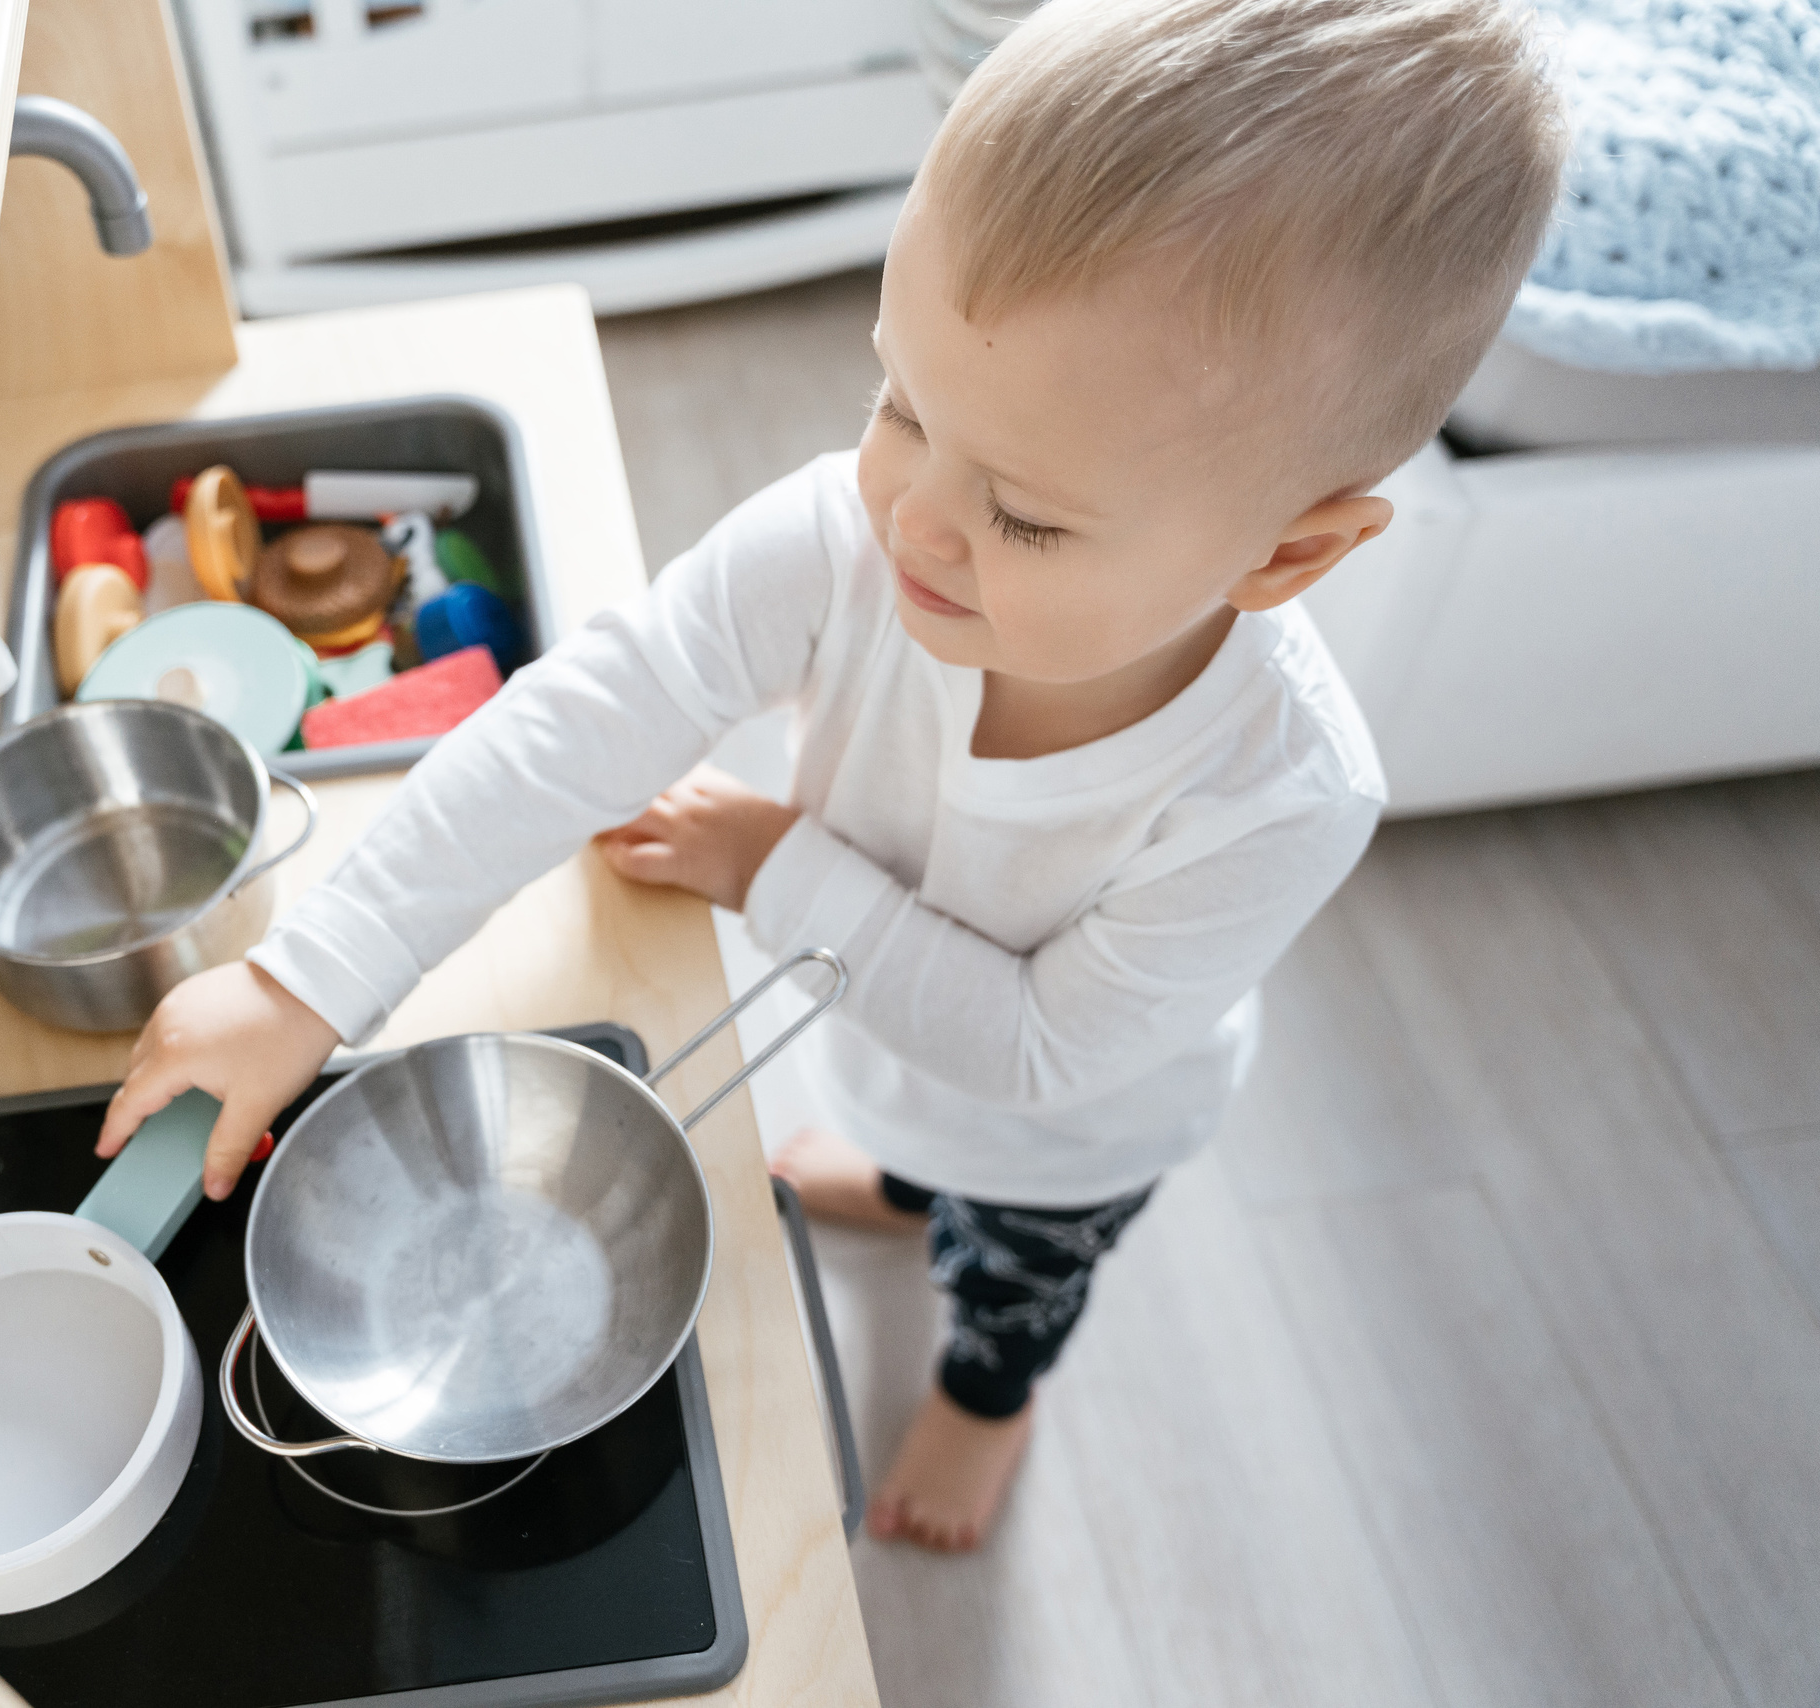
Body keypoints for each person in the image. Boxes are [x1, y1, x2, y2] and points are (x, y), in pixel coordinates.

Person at [97, 0, 1565, 1552]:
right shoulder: (856, 534)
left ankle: (991, 1398)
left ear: (1288, 554)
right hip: (874, 1022)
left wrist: (769, 863)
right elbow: (595, 709)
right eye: (902, 404)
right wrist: (310, 977)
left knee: (1008, 1265)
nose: (914, 519)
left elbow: (1037, 1051)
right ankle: (896, 1178)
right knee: (899, 1143)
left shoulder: (1284, 796)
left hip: (1063, 1141)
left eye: (1029, 518)